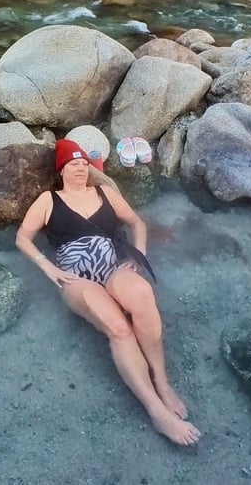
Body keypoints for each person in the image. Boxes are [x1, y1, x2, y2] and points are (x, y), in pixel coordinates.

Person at [15, 139, 201, 446]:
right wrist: (47, 268)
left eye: (84, 164)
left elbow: (136, 223)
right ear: (61, 170)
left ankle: (162, 381)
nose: (80, 169)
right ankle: (156, 411)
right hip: (75, 279)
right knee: (118, 327)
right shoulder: (48, 200)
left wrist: (138, 255)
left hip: (113, 267)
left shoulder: (104, 193)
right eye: (73, 164)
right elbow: (23, 237)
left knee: (141, 294)